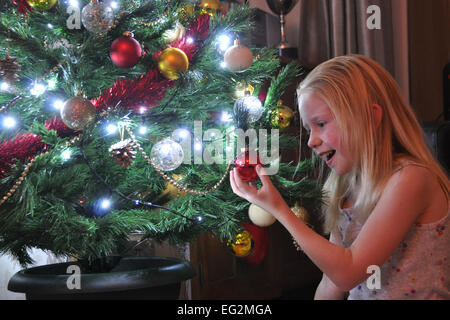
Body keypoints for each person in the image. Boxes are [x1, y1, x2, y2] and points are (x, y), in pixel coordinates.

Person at [230, 54, 449, 300]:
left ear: (371, 118)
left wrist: (280, 210)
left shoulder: (410, 179)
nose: (311, 141)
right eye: (308, 129)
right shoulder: (345, 188)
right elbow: (332, 283)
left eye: (321, 124)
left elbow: (350, 272)